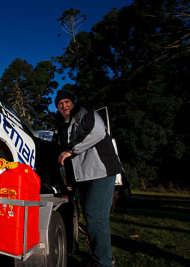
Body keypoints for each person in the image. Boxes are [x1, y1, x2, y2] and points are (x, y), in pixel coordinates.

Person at [54, 90, 123, 267]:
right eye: (60, 103)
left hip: (101, 171)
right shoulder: (63, 125)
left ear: (73, 102)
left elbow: (97, 132)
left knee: (95, 216)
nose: (64, 105)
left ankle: (104, 262)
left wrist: (71, 150)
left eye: (67, 101)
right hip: (84, 176)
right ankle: (103, 257)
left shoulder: (86, 113)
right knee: (92, 216)